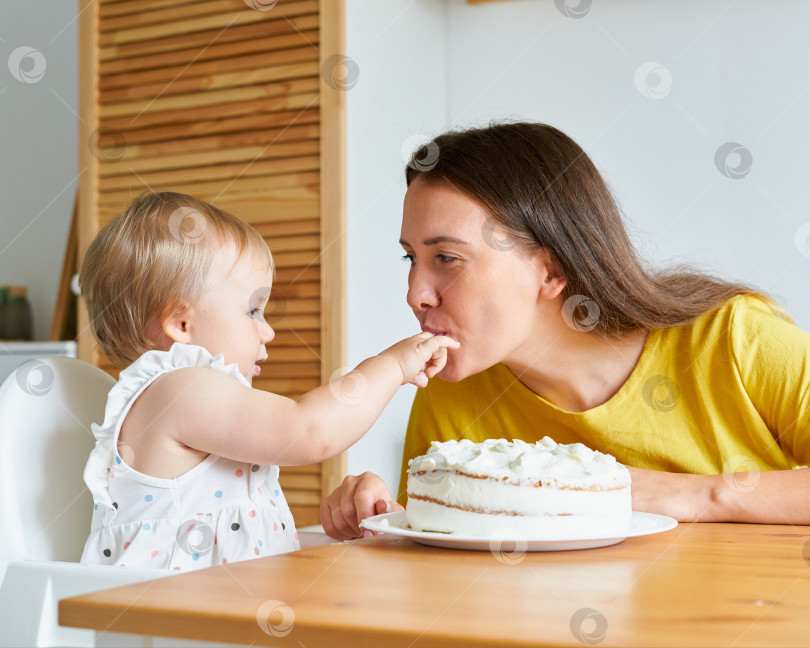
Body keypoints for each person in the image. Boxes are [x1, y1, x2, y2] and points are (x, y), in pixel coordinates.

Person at [320, 122, 810, 540]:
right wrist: (385, 517)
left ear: (552, 272)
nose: (415, 294)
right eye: (412, 258)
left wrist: (694, 494)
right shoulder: (454, 388)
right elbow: (444, 569)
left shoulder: (735, 338)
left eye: (446, 258)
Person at [78, 191, 457, 570]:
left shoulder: (189, 397)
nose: (267, 332)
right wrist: (392, 365)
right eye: (253, 311)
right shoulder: (180, 390)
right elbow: (309, 430)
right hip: (163, 618)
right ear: (181, 324)